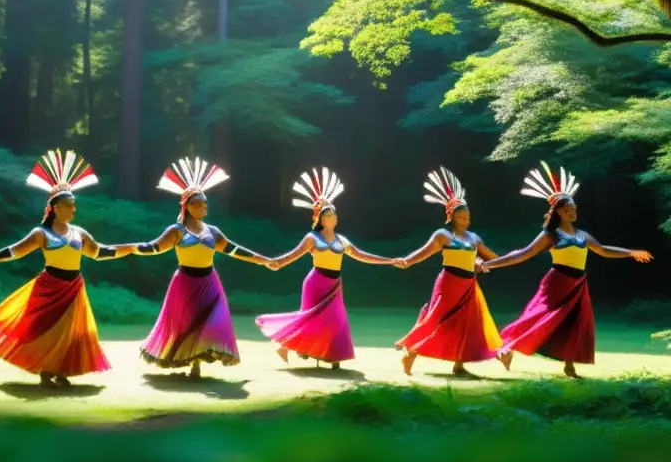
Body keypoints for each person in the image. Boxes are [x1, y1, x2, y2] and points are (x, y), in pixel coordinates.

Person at [0, 150, 134, 388]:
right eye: (68, 205)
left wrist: (128, 248)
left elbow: (99, 253)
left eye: (73, 205)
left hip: (74, 286)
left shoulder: (80, 233)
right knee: (45, 329)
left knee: (69, 330)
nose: (73, 209)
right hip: (49, 286)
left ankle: (61, 370)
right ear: (55, 208)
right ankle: (46, 369)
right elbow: (15, 251)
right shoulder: (41, 234)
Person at [485, 162, 653, 378]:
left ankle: (570, 366)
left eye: (574, 208)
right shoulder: (551, 235)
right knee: (539, 319)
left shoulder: (582, 235)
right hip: (557, 283)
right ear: (558, 211)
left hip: (578, 283)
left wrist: (630, 252)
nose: (573, 211)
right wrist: (490, 263)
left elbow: (602, 250)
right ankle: (507, 350)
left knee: (576, 322)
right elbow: (523, 253)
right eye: (568, 209)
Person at [132, 158, 275, 379]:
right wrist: (130, 248)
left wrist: (263, 259)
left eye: (205, 203)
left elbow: (234, 250)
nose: (204, 207)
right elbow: (154, 248)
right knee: (187, 322)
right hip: (185, 283)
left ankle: (199, 360)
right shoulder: (177, 231)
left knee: (213, 320)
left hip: (209, 282)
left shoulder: (213, 232)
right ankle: (193, 363)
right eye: (199, 203)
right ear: (187, 206)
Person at [256, 167, 396, 368]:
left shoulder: (342, 240)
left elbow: (362, 256)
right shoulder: (312, 238)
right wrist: (276, 263)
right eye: (329, 214)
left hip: (334, 285)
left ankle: (332, 356)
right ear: (320, 219)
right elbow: (293, 255)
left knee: (337, 321)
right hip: (316, 283)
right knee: (311, 321)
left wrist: (389, 261)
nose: (334, 217)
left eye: (335, 214)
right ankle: (288, 346)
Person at [394, 167, 502, 376]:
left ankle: (459, 365)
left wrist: (500, 260)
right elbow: (424, 252)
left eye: (467, 216)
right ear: (451, 217)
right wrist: (407, 261)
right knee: (436, 319)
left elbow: (491, 257)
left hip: (469, 284)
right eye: (461, 216)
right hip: (449, 283)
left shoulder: (473, 238)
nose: (465, 220)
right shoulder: (443, 235)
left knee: (467, 324)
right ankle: (410, 354)